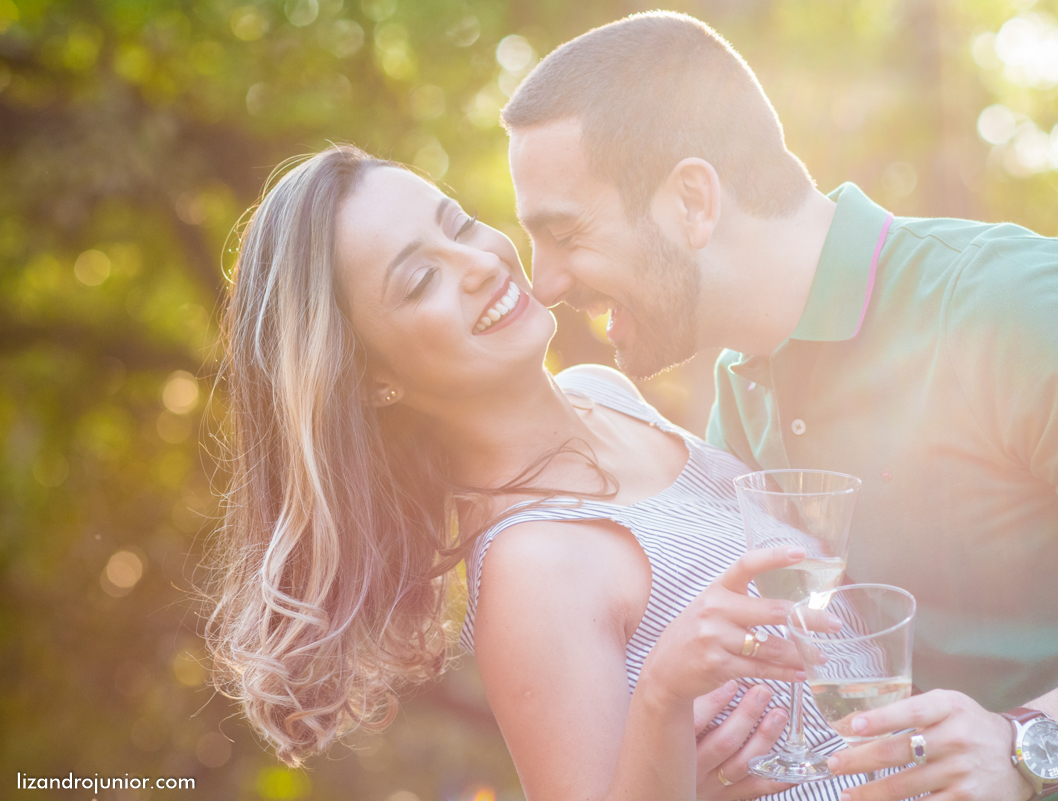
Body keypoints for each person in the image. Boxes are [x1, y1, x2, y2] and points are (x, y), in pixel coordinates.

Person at [504, 11, 1058, 801]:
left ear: (692, 200)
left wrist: (1033, 739)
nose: (545, 282)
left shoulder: (1013, 306)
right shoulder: (743, 398)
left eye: (564, 234)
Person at [205, 144, 875, 801]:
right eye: (419, 280)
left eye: (458, 223)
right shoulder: (532, 565)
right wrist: (663, 698)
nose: (476, 262)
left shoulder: (603, 392)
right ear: (371, 378)